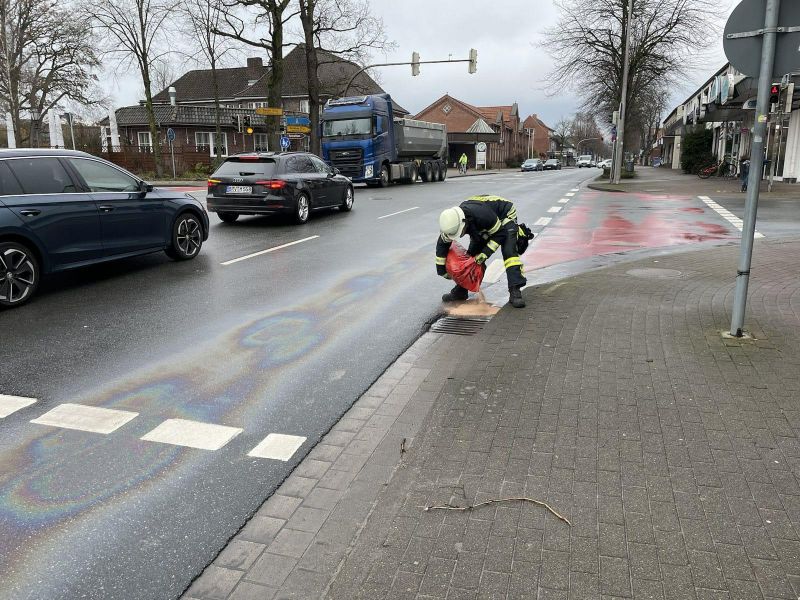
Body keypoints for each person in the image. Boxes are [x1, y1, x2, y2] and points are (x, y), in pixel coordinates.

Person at [436, 195, 526, 308]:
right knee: (472, 256)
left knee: (509, 252)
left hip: (504, 215)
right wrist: (441, 270)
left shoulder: (483, 217)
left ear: (464, 223)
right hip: (482, 221)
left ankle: (515, 292)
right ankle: (461, 291)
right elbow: (442, 245)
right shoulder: (453, 221)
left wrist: (485, 253)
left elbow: (500, 234)